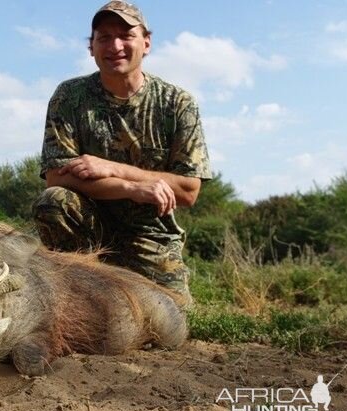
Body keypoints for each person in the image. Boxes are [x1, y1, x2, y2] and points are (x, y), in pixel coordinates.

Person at [32, 0, 212, 305]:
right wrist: (130, 187)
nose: (115, 45)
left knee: (173, 320)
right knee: (53, 203)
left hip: (150, 234)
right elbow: (56, 177)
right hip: (89, 229)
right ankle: (74, 290)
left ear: (146, 43)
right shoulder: (69, 97)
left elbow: (188, 190)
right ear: (92, 47)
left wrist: (117, 170)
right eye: (104, 37)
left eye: (126, 35)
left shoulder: (177, 103)